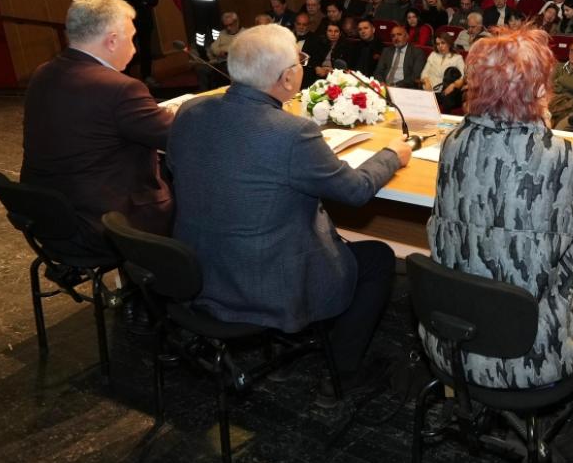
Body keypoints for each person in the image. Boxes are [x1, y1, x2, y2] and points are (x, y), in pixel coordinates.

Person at [167, 24, 412, 401]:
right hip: (264, 282)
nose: (302, 67)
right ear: (286, 78)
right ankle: (344, 372)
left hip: (200, 271)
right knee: (378, 257)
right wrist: (392, 155)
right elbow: (355, 190)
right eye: (301, 61)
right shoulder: (292, 133)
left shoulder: (190, 111)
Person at [426, 27, 573, 463]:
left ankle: (517, 422)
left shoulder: (452, 143)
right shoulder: (562, 156)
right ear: (538, 90)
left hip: (453, 342)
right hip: (533, 359)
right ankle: (545, 425)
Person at [22, 0, 174, 256]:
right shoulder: (120, 88)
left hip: (50, 216)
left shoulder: (43, 73)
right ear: (112, 41)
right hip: (104, 221)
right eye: (132, 38)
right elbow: (177, 135)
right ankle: (177, 274)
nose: (135, 48)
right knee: (195, 185)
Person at [113, 0, 159, 85]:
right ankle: (126, 77)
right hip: (130, 24)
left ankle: (147, 76)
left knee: (146, 50)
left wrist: (141, 1)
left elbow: (154, 0)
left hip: (146, 22)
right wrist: (143, 1)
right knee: (128, 51)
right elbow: (124, 3)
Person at [421, 32, 465, 111]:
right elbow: (424, 73)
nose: (440, 46)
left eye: (443, 43)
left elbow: (464, 76)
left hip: (445, 92)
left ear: (449, 44)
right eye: (438, 44)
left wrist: (454, 85)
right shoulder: (433, 55)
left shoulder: (457, 58)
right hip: (429, 90)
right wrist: (426, 81)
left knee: (446, 98)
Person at [200, 11, 242, 90]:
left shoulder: (244, 33)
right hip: (219, 61)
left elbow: (240, 49)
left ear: (237, 22)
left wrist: (226, 50)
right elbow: (213, 47)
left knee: (221, 72)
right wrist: (220, 52)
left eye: (230, 25)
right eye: (226, 26)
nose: (228, 28)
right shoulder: (222, 33)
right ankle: (205, 93)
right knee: (202, 70)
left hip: (235, 62)